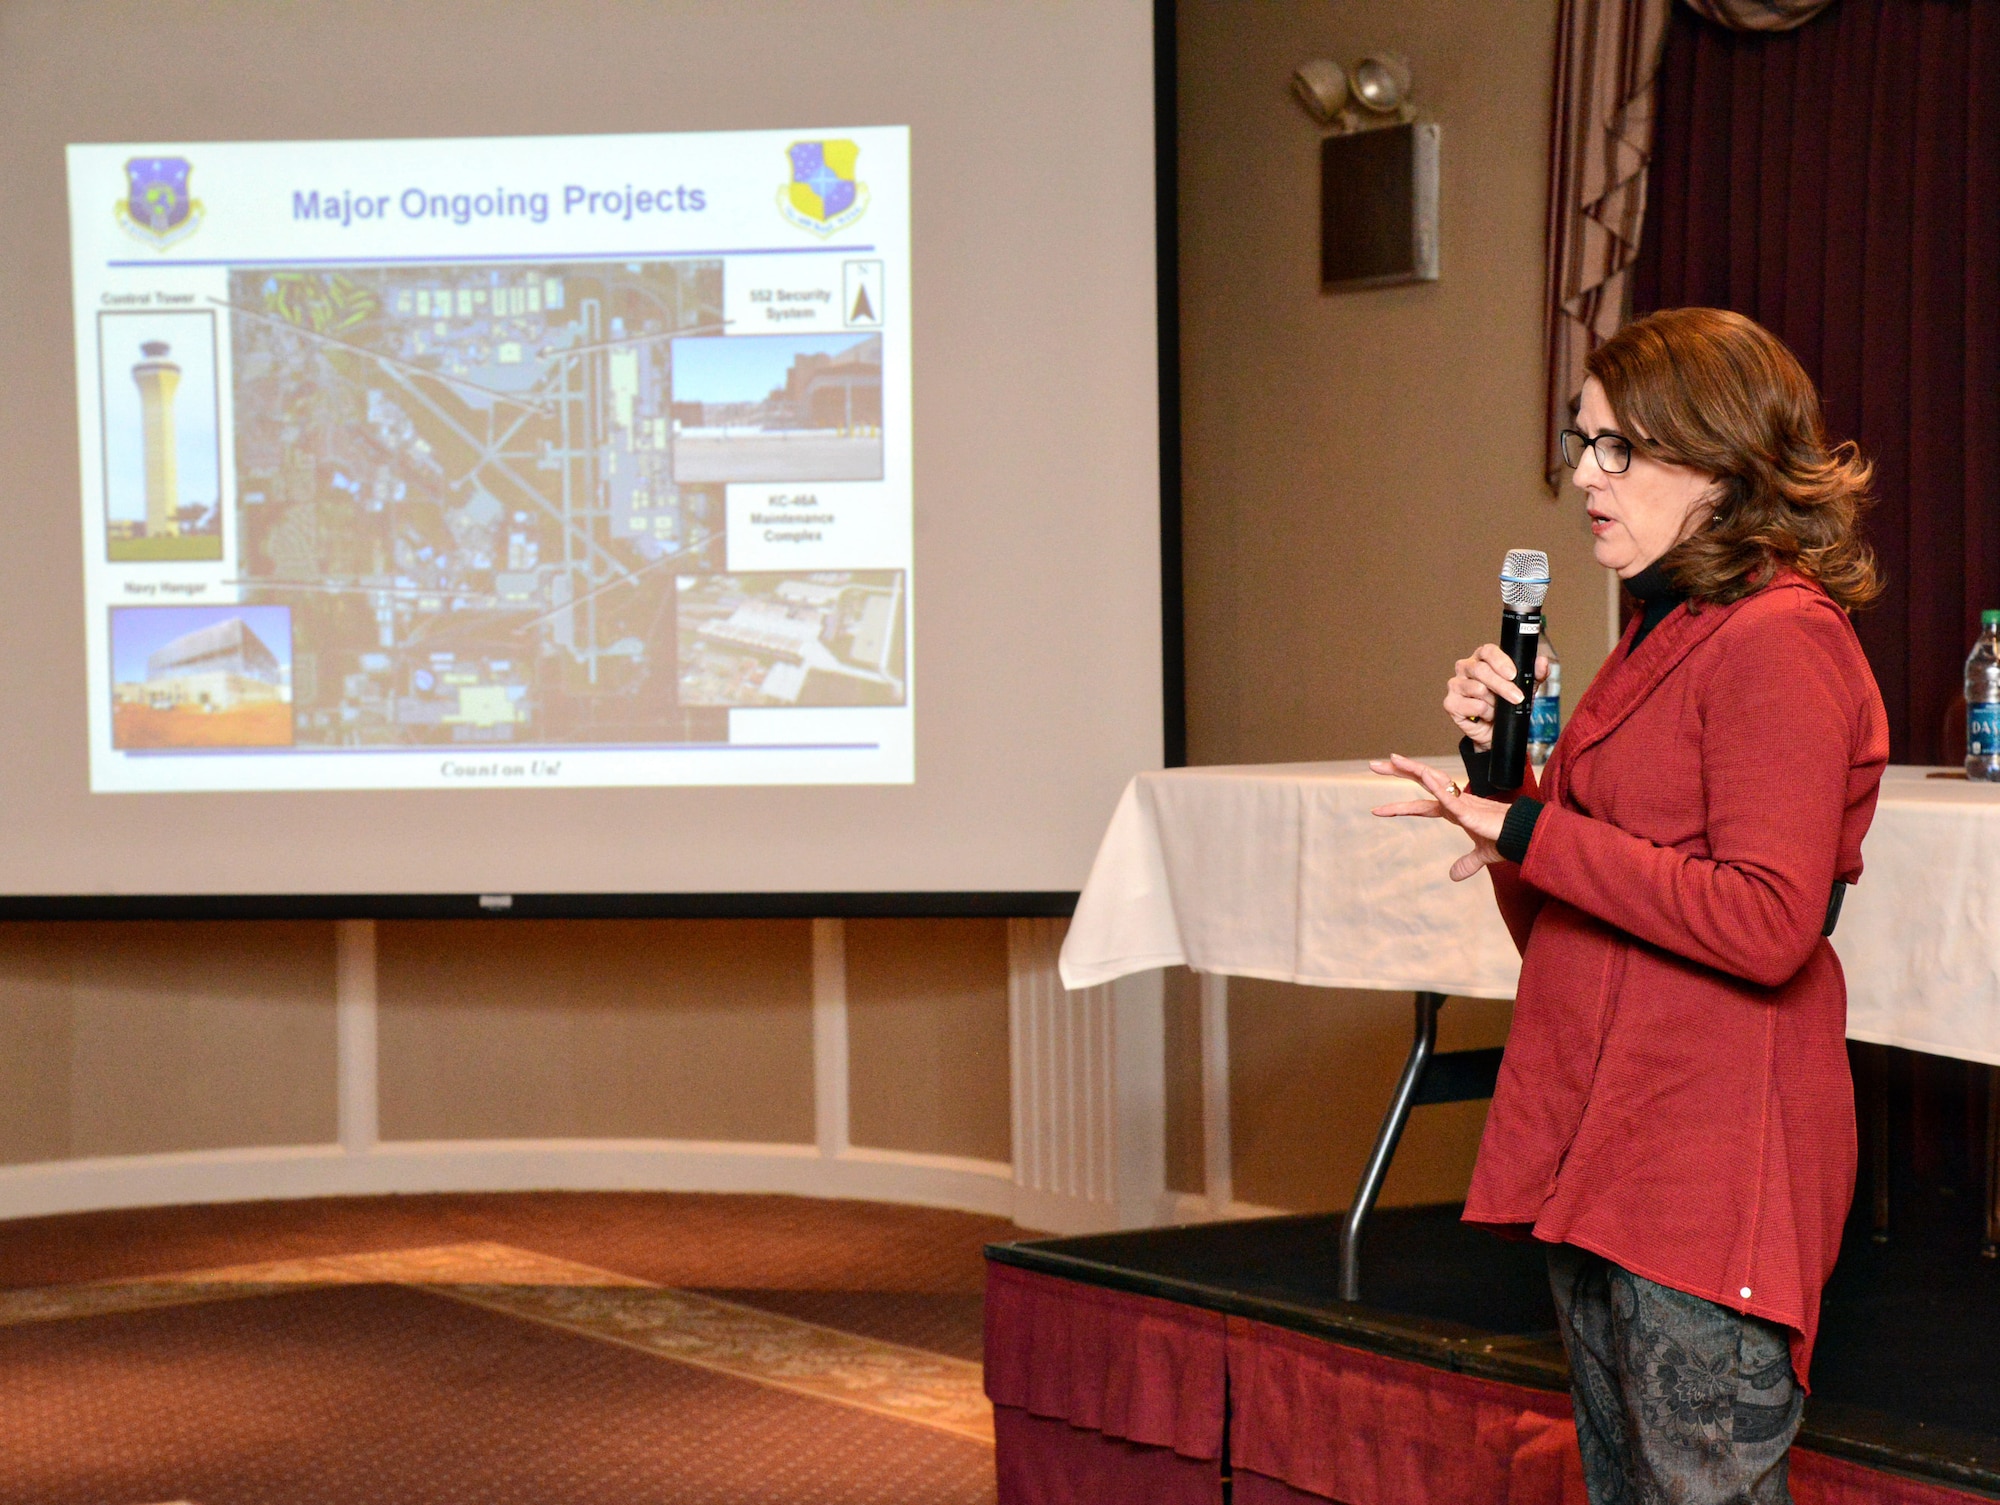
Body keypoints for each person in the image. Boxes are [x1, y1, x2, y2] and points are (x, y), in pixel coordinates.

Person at [1370, 307, 1888, 1505]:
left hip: (1707, 1158)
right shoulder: (1668, 627)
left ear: (1718, 463)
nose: (1584, 476)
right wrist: (1499, 789)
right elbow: (1570, 929)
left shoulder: (1776, 642)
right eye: (1582, 441)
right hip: (1611, 1144)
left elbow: (1765, 924)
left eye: (1619, 448)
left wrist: (1534, 829)